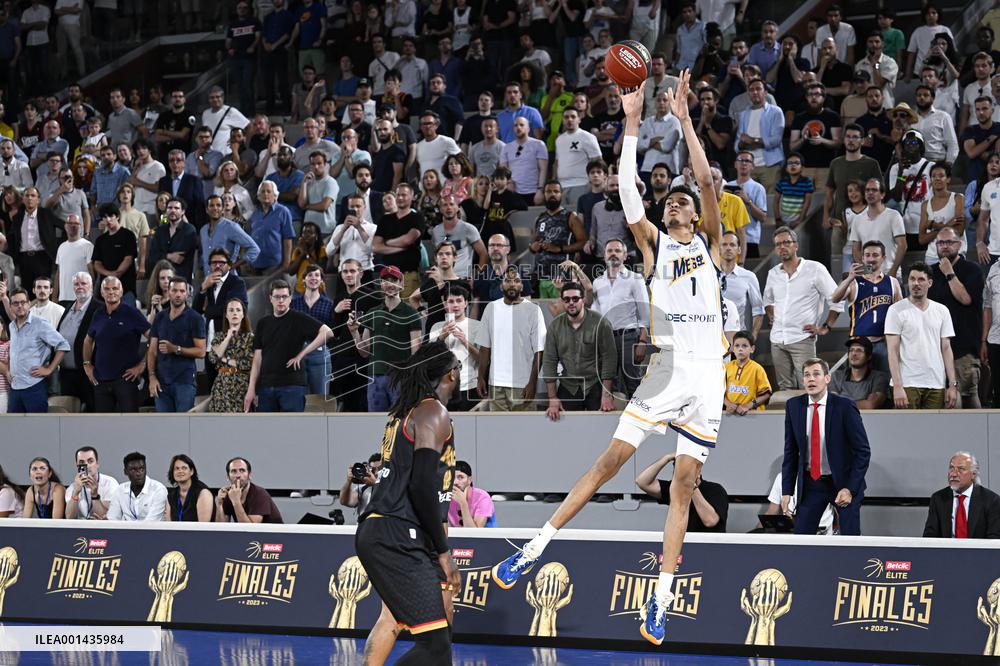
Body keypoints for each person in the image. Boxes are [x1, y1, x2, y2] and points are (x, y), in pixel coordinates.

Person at [491, 72, 725, 645]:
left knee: (683, 488)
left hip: (710, 380)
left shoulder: (711, 244)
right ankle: (535, 546)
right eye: (669, 203)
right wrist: (632, 122)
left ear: (695, 214)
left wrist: (686, 121)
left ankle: (660, 600)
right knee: (608, 464)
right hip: (668, 369)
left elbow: (703, 179)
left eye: (682, 202)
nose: (676, 205)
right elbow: (627, 192)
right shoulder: (654, 245)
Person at [355, 341, 462, 665]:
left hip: (387, 528)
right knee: (435, 646)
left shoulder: (404, 413)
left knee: (433, 639)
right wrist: (444, 552)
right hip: (399, 533)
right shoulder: (433, 412)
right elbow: (420, 486)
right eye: (458, 367)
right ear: (451, 374)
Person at [781, 358, 871, 535]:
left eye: (816, 374)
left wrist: (850, 488)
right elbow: (790, 452)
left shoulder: (844, 406)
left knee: (850, 539)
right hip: (811, 484)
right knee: (801, 538)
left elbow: (863, 451)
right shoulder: (794, 406)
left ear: (827, 378)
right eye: (807, 375)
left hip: (843, 482)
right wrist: (787, 491)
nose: (811, 379)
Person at [764, 227, 843, 390]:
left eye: (786, 242)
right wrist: (772, 315)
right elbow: (768, 301)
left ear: (796, 245)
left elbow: (836, 299)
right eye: (778, 244)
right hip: (777, 340)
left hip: (802, 338)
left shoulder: (815, 269)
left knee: (809, 387)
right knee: (785, 388)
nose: (782, 247)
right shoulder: (773, 273)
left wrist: (825, 327)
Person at [244, 279, 332, 413]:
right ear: (270, 298)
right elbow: (257, 359)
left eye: (284, 297)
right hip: (266, 386)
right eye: (277, 297)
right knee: (265, 426)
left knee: (293, 426)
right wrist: (251, 389)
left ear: (290, 298)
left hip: (292, 386)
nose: (281, 300)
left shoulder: (299, 318)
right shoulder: (263, 323)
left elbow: (328, 332)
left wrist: (302, 354)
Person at [885, 262, 959, 409]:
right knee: (908, 424)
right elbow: (892, 351)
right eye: (912, 279)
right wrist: (898, 386)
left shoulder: (942, 311)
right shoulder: (895, 310)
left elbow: (946, 349)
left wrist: (952, 384)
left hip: (936, 383)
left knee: (934, 425)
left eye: (921, 279)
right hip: (907, 383)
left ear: (930, 283)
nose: (916, 283)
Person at [349, 265, 422, 411]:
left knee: (401, 419)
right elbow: (364, 352)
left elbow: (416, 352)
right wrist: (354, 332)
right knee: (376, 421)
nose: (389, 284)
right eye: (385, 280)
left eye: (393, 280)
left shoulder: (411, 314)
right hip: (375, 376)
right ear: (381, 285)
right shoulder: (372, 313)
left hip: (401, 376)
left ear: (401, 283)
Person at [541, 281, 616, 419]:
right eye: (567, 299)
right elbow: (549, 361)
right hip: (568, 386)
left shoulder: (601, 323)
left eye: (575, 299)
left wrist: (606, 395)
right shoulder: (555, 326)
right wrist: (552, 398)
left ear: (583, 300)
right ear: (562, 301)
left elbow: (609, 359)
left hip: (596, 385)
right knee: (566, 428)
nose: (571, 303)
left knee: (598, 426)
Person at [476, 267, 545, 412]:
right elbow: (484, 348)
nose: (512, 284)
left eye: (517, 281)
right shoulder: (491, 308)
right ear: (501, 286)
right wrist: (481, 377)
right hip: (496, 384)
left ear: (522, 286)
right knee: (498, 426)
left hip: (523, 384)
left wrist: (533, 382)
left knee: (525, 425)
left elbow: (539, 351)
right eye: (508, 281)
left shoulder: (533, 310)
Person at [928, 228, 984, 408]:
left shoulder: (972, 269)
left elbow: (965, 299)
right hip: (937, 348)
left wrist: (949, 273)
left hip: (963, 348)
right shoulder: (930, 272)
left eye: (949, 242)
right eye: (940, 243)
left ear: (959, 245)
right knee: (955, 398)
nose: (944, 247)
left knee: (960, 397)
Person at [832, 240, 902, 373]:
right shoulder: (854, 282)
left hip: (884, 342)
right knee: (858, 382)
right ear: (862, 258)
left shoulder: (892, 282)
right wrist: (849, 278)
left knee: (885, 380)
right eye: (867, 255)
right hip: (859, 343)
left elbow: (901, 315)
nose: (871, 259)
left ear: (883, 258)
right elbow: (835, 298)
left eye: (875, 255)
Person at [591, 239, 649, 399]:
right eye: (609, 251)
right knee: (609, 386)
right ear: (604, 256)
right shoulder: (597, 282)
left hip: (629, 338)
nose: (613, 254)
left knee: (634, 385)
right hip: (605, 340)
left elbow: (645, 314)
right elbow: (595, 315)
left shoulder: (635, 279)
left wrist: (643, 342)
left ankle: (637, 414)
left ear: (625, 255)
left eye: (617, 251)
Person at [82, 276, 150, 413]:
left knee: (130, 422)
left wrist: (142, 365)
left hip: (126, 380)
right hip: (100, 380)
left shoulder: (132, 313)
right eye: (107, 289)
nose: (111, 292)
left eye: (115, 288)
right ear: (102, 293)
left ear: (121, 291)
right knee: (103, 423)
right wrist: (87, 364)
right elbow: (88, 340)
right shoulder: (98, 313)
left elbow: (154, 338)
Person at [147, 276, 206, 413]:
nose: (178, 294)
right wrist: (152, 377)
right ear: (168, 292)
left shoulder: (195, 318)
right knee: (164, 423)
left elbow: (201, 351)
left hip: (184, 381)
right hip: (161, 381)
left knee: (184, 423)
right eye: (174, 290)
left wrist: (175, 349)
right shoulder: (160, 317)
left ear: (187, 294)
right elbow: (152, 350)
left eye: (182, 291)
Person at [7, 287, 69, 412]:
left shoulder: (40, 324)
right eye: (15, 303)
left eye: (23, 302)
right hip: (15, 387)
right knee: (14, 424)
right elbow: (13, 351)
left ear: (29, 304)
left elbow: (63, 345)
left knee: (37, 424)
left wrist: (49, 369)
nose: (20, 306)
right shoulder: (11, 326)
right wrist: (9, 370)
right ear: (11, 307)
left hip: (34, 387)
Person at [635, 452, 728, 532]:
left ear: (698, 470)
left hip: (710, 544)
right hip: (683, 543)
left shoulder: (716, 489)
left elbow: (710, 521)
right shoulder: (674, 489)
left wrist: (691, 485)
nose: (683, 474)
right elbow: (642, 482)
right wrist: (666, 458)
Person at [923, 451, 1000, 539]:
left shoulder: (991, 500)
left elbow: (994, 539)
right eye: (951, 468)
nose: (953, 474)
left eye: (961, 469)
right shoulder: (938, 498)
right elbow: (930, 536)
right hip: (947, 548)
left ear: (973, 474)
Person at [290, 264, 334, 396]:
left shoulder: (329, 304)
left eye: (317, 275)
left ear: (321, 280)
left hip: (320, 353)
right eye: (310, 275)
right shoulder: (293, 303)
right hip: (297, 351)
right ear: (303, 279)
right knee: (296, 395)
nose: (313, 278)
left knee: (320, 397)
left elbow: (332, 332)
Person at [848, 178, 906, 277]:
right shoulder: (857, 219)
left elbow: (902, 246)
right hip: (869, 275)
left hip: (890, 273)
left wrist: (893, 271)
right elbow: (855, 250)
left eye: (874, 190)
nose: (870, 193)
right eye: (867, 190)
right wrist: (867, 271)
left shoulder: (894, 216)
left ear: (882, 194)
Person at [207, 297, 254, 413]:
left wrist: (225, 359)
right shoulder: (219, 337)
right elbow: (213, 358)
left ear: (243, 315)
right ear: (226, 315)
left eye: (238, 310)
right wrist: (227, 337)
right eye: (231, 310)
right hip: (221, 386)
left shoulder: (250, 338)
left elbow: (247, 364)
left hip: (241, 385)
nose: (234, 313)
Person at [215, 457, 283, 524]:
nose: (238, 475)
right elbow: (221, 527)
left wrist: (236, 501)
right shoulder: (229, 493)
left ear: (249, 475)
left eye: (242, 470)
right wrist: (220, 504)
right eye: (234, 471)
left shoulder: (259, 494)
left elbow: (250, 529)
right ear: (228, 477)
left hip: (273, 531)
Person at [106, 452, 168, 521]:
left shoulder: (158, 489)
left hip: (151, 528)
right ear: (125, 472)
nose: (139, 473)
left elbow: (151, 522)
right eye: (133, 470)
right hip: (127, 528)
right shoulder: (120, 490)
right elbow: (112, 519)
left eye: (142, 469)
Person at [724, 331, 771, 414]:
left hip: (752, 414)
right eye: (737, 346)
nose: (740, 349)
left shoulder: (757, 368)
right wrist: (728, 404)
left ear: (752, 349)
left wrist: (748, 405)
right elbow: (718, 392)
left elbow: (766, 393)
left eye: (744, 346)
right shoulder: (726, 367)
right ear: (733, 348)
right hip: (730, 413)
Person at [165, 454, 213, 522]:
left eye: (184, 468)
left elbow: (203, 526)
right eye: (177, 468)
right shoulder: (171, 496)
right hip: (176, 529)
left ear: (191, 471)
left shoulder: (203, 493)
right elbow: (168, 524)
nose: (180, 471)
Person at [450, 461, 495, 528]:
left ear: (469, 480)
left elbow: (474, 533)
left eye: (461, 477)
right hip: (458, 534)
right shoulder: (446, 497)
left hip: (485, 534)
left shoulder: (482, 497)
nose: (455, 482)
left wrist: (463, 503)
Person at [339, 453, 382, 517]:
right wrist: (349, 481)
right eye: (373, 469)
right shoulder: (363, 489)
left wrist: (375, 483)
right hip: (364, 522)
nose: (376, 473)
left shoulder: (392, 487)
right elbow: (344, 501)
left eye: (379, 469)